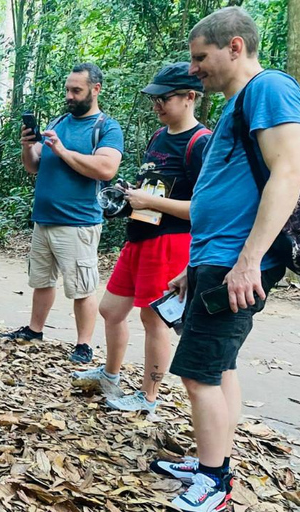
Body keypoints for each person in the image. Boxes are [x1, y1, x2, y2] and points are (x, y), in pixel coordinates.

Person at [149, 8, 300, 511]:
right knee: (221, 367)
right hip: (215, 260)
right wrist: (192, 272)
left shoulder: (268, 89)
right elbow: (228, 193)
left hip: (238, 260)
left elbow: (288, 172)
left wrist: (248, 260)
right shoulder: (238, 105)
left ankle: (215, 483)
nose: (193, 69)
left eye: (200, 57)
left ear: (234, 47)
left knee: (198, 374)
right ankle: (213, 459)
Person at [72, 63, 211, 412]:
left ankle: (148, 397)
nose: (157, 105)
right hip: (140, 235)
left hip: (171, 242)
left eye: (164, 98)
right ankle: (110, 375)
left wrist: (150, 201)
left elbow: (204, 209)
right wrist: (132, 195)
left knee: (154, 318)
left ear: (190, 97)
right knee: (110, 310)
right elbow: (156, 189)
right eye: (154, 99)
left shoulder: (200, 142)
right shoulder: (158, 136)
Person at [3, 63, 124, 363]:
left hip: (78, 222)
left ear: (95, 90)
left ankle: (84, 344)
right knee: (41, 281)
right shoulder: (58, 122)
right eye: (68, 90)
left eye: (76, 90)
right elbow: (33, 166)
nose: (69, 96)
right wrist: (28, 147)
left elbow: (106, 168)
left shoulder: (106, 128)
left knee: (81, 286)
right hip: (44, 219)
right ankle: (35, 329)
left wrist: (63, 152)